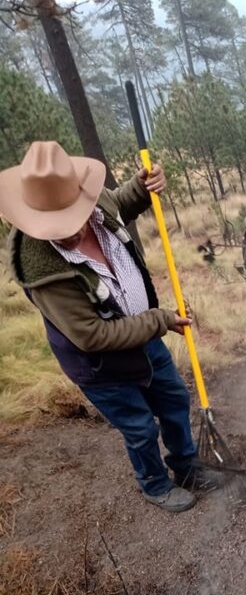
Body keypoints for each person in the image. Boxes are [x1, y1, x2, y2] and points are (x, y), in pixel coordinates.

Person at [1, 141, 200, 513]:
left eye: (75, 216)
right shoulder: (41, 270)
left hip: (145, 341)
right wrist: (159, 320)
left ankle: (186, 467)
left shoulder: (97, 203)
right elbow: (92, 336)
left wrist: (142, 187)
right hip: (101, 366)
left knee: (174, 400)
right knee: (140, 428)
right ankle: (156, 485)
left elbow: (120, 203)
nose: (70, 231)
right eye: (57, 226)